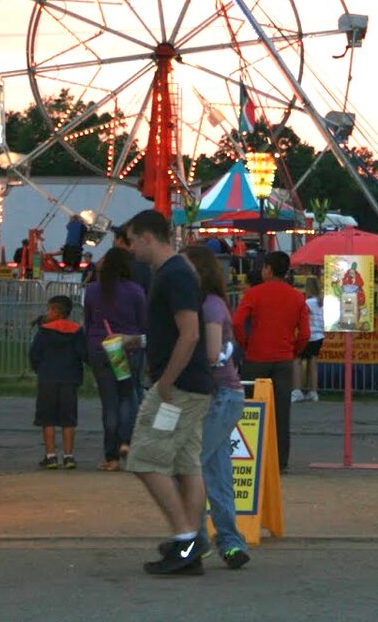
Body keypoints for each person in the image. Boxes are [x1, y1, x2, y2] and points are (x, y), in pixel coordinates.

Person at [122, 209, 214, 577]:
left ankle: (184, 535)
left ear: (147, 237)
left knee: (144, 457)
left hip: (178, 388)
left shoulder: (173, 274)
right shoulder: (176, 273)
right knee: (186, 463)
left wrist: (165, 382)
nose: (129, 249)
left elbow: (189, 332)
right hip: (192, 385)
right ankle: (191, 540)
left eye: (131, 240)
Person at [183, 245, 250, 570]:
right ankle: (231, 542)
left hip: (219, 395)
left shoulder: (208, 307)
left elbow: (211, 354)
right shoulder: (212, 305)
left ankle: (195, 538)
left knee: (191, 465)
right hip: (224, 395)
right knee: (218, 473)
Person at [232, 250, 309, 473]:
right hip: (284, 360)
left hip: (256, 358)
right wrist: (293, 351)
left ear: (268, 269)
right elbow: (304, 334)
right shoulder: (297, 297)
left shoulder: (254, 294)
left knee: (251, 409)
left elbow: (237, 322)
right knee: (281, 412)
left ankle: (250, 455)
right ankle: (280, 462)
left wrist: (246, 343)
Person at [83, 246, 147, 471]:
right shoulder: (135, 291)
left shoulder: (92, 291)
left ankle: (111, 455)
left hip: (100, 348)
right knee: (127, 397)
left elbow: (88, 321)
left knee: (109, 401)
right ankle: (125, 441)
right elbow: (143, 323)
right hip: (127, 348)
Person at [28, 294, 86, 470]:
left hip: (48, 378)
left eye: (50, 309)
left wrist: (38, 369)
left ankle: (51, 455)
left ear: (56, 311)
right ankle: (69, 456)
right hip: (70, 379)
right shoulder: (76, 331)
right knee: (68, 419)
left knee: (48, 419)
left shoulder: (44, 331)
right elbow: (83, 354)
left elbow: (34, 353)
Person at [292, 277, 325, 403]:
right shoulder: (321, 302)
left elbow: (300, 315)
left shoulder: (308, 303)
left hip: (309, 335)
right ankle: (313, 392)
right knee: (313, 363)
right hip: (319, 335)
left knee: (297, 361)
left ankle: (297, 390)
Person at [114, 224, 154, 291]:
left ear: (120, 241)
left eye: (115, 239)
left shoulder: (130, 265)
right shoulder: (141, 261)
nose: (114, 243)